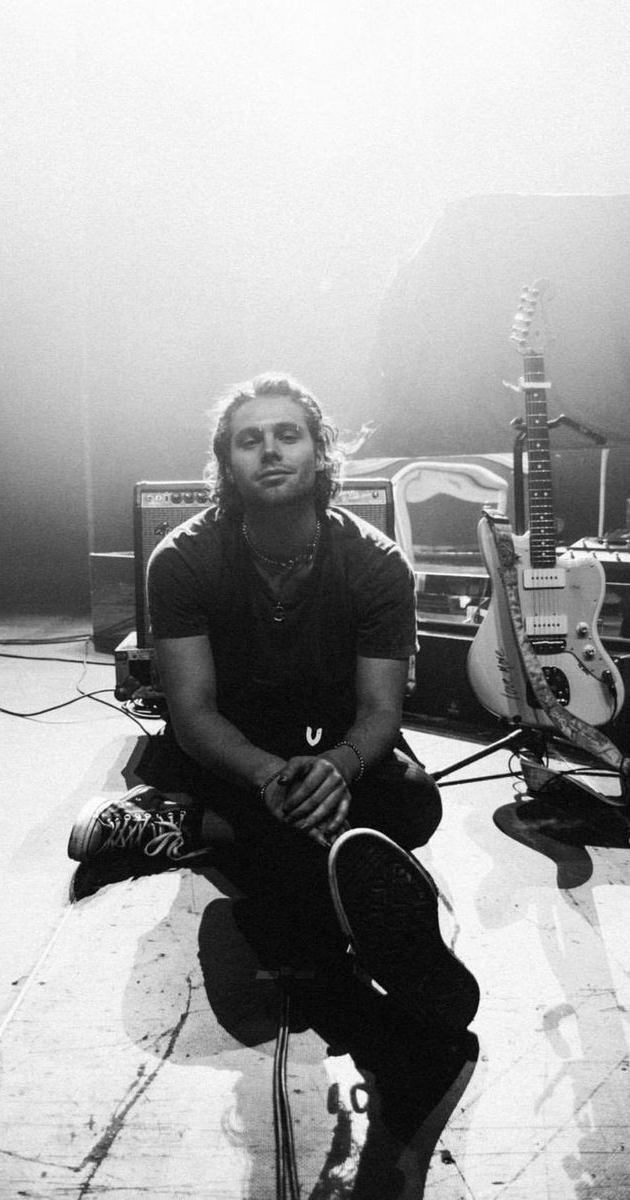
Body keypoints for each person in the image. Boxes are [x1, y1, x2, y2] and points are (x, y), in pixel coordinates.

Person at [68, 372, 479, 1029]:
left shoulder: (377, 563)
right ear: (227, 464)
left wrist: (337, 770)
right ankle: (365, 947)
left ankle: (190, 830)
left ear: (320, 452)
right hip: (232, 752)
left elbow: (379, 712)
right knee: (295, 851)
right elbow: (192, 713)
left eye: (287, 434)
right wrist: (269, 778)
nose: (269, 450)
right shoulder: (181, 560)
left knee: (415, 803)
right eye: (248, 440)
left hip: (334, 745)